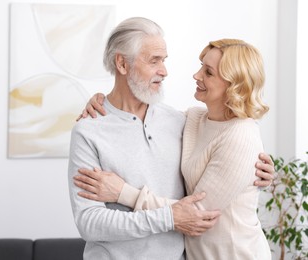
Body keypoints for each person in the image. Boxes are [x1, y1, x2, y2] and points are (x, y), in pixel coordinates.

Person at [68, 17, 274, 259]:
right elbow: (89, 222)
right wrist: (170, 218)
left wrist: (258, 173)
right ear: (122, 64)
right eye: (154, 61)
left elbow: (228, 154)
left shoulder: (176, 121)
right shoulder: (89, 131)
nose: (164, 71)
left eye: (164, 60)